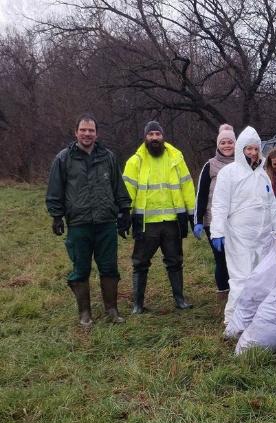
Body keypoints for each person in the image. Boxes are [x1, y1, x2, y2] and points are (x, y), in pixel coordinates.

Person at [46, 113, 132, 326]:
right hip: (78, 224)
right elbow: (55, 189)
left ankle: (112, 309)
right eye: (83, 130)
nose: (87, 134)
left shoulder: (108, 157)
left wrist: (124, 211)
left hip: (105, 223)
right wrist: (57, 216)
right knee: (81, 268)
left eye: (91, 130)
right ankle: (85, 313)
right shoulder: (63, 158)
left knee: (109, 267)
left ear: (97, 133)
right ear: (76, 132)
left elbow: (118, 186)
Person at [209, 126, 276, 325]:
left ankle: (255, 318)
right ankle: (232, 321)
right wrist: (217, 230)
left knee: (261, 278)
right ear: (241, 150)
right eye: (248, 149)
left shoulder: (262, 175)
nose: (252, 153)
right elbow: (219, 204)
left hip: (262, 237)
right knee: (241, 279)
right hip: (239, 236)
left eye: (255, 149)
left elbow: (271, 206)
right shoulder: (229, 173)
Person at [122, 120, 196, 313]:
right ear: (145, 137)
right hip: (146, 223)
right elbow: (127, 190)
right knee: (140, 263)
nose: (155, 138)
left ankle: (180, 300)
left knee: (175, 261)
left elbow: (187, 186)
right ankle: (138, 305)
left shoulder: (176, 157)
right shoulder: (135, 161)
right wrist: (123, 215)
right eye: (151, 135)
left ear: (163, 137)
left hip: (172, 222)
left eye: (158, 134)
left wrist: (191, 214)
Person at [193, 124, 234, 307]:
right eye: (223, 142)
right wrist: (198, 220)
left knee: (236, 257)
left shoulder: (242, 163)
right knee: (221, 258)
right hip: (214, 221)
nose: (227, 145)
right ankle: (223, 293)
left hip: (237, 221)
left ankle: (237, 291)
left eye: (230, 142)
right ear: (218, 144)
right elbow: (201, 194)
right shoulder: (210, 165)